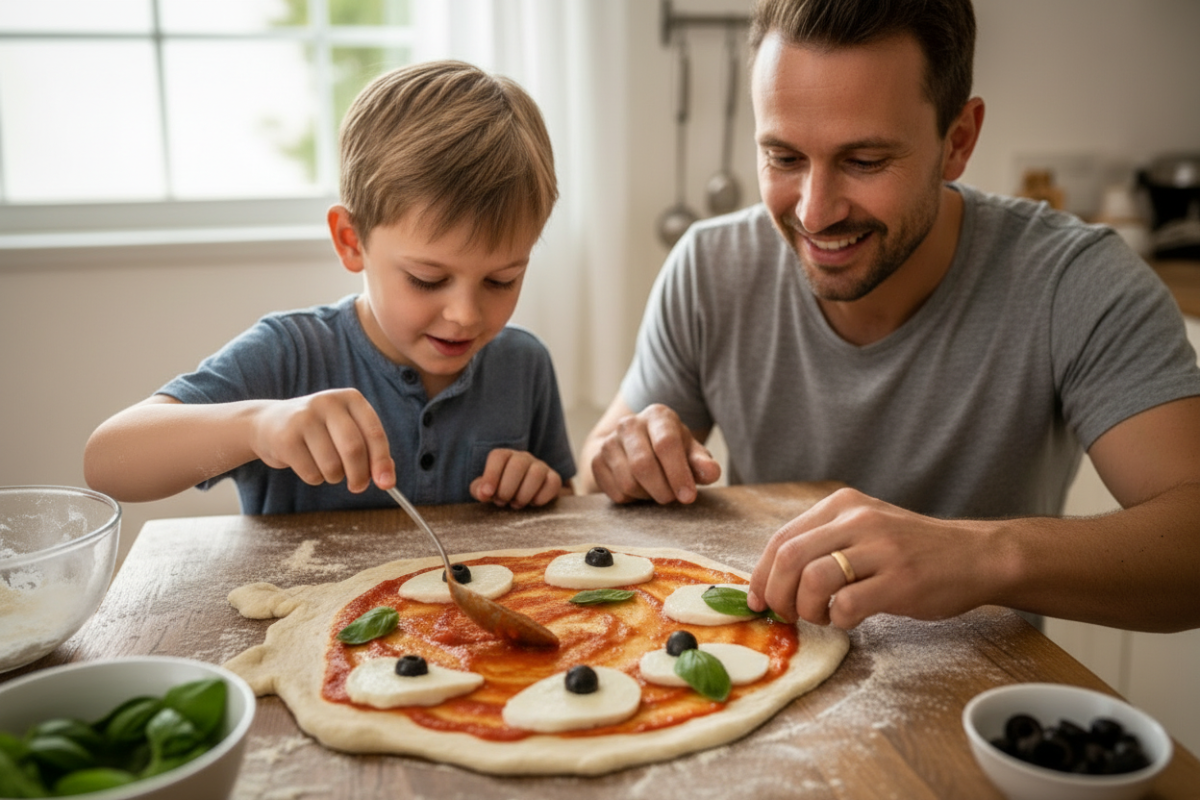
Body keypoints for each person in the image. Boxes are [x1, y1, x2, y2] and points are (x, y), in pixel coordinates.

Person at [580, 0, 1200, 633]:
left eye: (865, 162)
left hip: (975, 712)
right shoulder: (710, 267)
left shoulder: (1076, 282)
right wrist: (621, 459)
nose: (815, 213)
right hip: (762, 678)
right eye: (785, 158)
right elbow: (594, 486)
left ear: (957, 141)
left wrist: (980, 556)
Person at [85, 61, 575, 514]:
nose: (466, 314)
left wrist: (541, 486)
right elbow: (108, 464)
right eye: (428, 279)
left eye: (501, 280)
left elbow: (568, 513)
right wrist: (256, 426)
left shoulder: (524, 366)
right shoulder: (290, 355)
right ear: (351, 240)